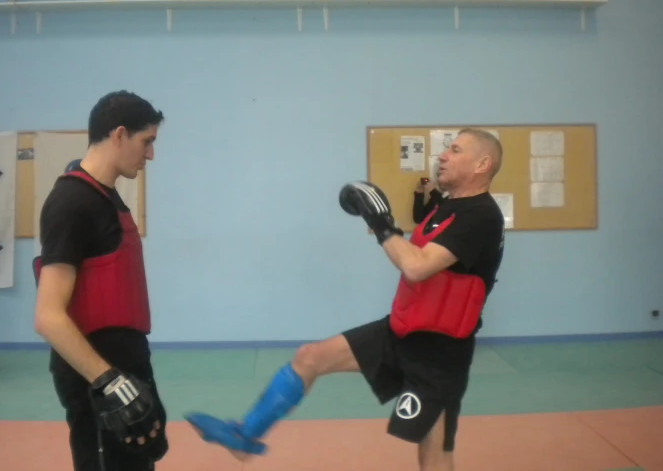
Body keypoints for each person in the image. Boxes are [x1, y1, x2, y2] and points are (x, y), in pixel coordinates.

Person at [184, 128, 506, 470]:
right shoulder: (447, 207)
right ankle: (245, 438)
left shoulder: (481, 216)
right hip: (400, 330)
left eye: (455, 150)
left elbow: (416, 266)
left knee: (433, 448)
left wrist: (382, 223)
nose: (443, 155)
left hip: (439, 353)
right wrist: (385, 224)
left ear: (482, 164)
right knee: (310, 357)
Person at [33, 90, 169, 471]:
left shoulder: (106, 196)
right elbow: (48, 315)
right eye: (148, 142)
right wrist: (110, 382)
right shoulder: (71, 203)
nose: (151, 154)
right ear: (120, 134)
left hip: (126, 369)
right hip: (99, 386)